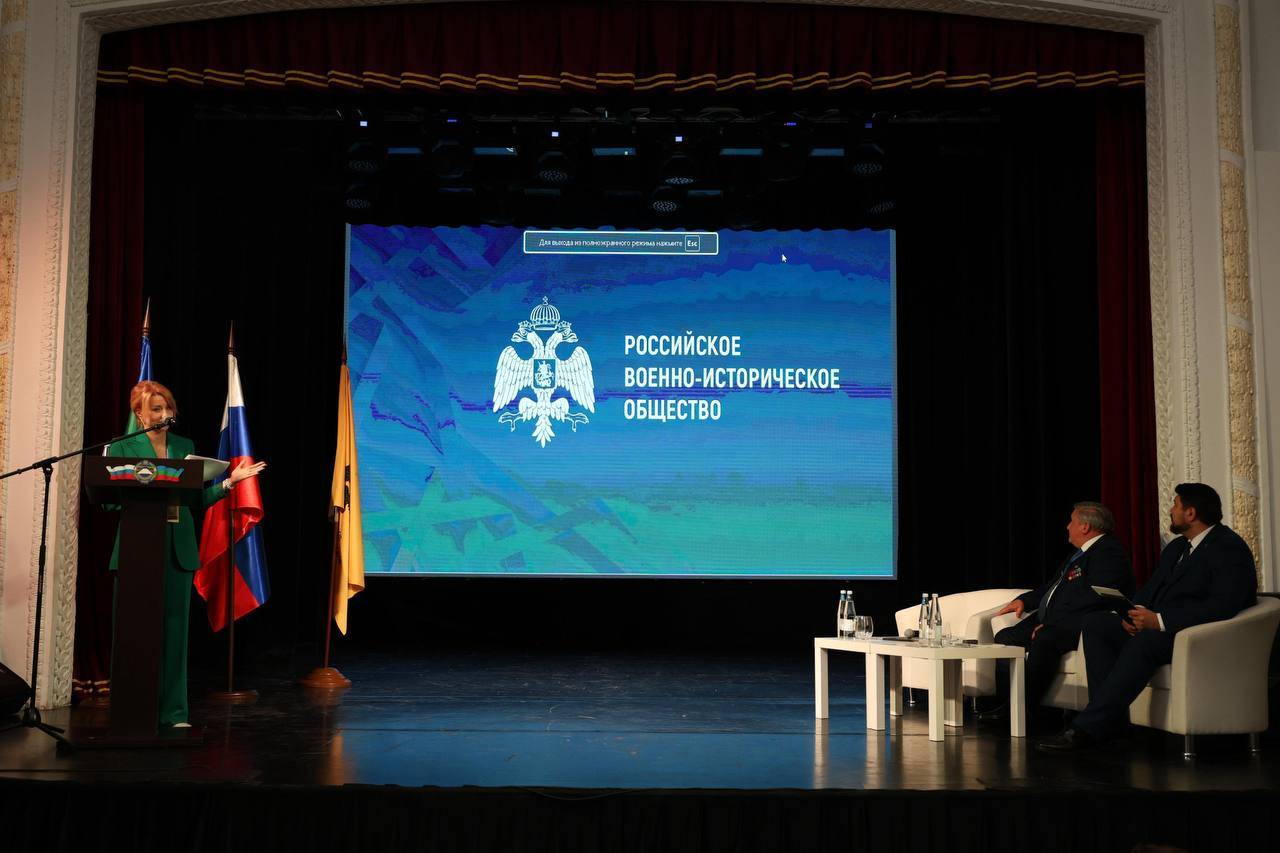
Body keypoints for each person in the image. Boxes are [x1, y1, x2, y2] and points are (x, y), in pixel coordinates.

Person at [1037, 483, 1257, 752]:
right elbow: (1151, 589)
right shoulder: (1177, 548)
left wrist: (1160, 621)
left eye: (1175, 505)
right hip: (1160, 627)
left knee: (1146, 642)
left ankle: (1087, 728)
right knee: (1097, 624)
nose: (1171, 510)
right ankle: (1112, 727)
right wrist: (1132, 613)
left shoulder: (1228, 548)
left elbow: (1222, 606)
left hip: (1193, 634)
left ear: (1190, 513)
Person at [107, 380, 266, 727]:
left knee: (175, 633)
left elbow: (196, 501)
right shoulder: (122, 447)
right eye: (156, 408)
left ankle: (174, 712)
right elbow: (108, 501)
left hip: (177, 550)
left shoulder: (184, 447)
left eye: (167, 407)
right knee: (133, 633)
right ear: (139, 414)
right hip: (136, 550)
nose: (164, 413)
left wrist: (229, 482)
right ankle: (130, 711)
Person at [984, 502, 1133, 726]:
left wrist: (1055, 622)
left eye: (1072, 521)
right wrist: (1024, 600)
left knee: (1045, 638)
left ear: (1085, 526)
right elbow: (1051, 588)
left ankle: (1027, 710)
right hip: (1053, 618)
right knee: (1004, 639)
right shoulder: (1079, 554)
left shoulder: (1108, 552)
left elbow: (1096, 599)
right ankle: (1009, 705)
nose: (1067, 526)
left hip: (1079, 622)